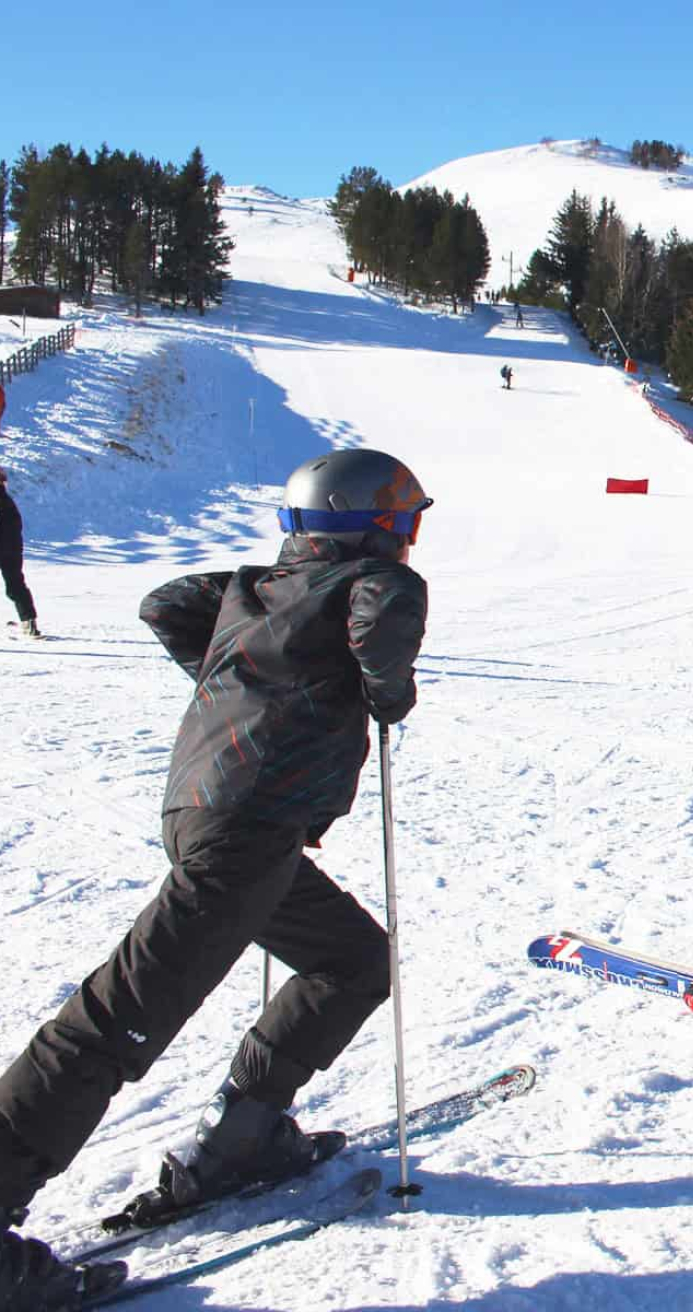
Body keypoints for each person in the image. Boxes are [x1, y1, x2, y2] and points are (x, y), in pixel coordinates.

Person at [0, 450, 431, 1303]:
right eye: (406, 522)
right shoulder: (372, 583)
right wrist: (387, 690)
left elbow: (164, 603)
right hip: (244, 835)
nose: (411, 541)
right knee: (119, 1016)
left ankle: (243, 1134)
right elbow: (384, 610)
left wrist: (247, 668)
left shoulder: (258, 591)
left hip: (214, 820)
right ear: (372, 527)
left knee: (352, 959)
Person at [0, 468, 39, 640]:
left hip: (9, 549)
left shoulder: (6, 502)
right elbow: (16, 528)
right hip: (12, 550)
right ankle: (29, 623)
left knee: (15, 586)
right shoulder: (8, 501)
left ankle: (29, 623)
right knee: (16, 586)